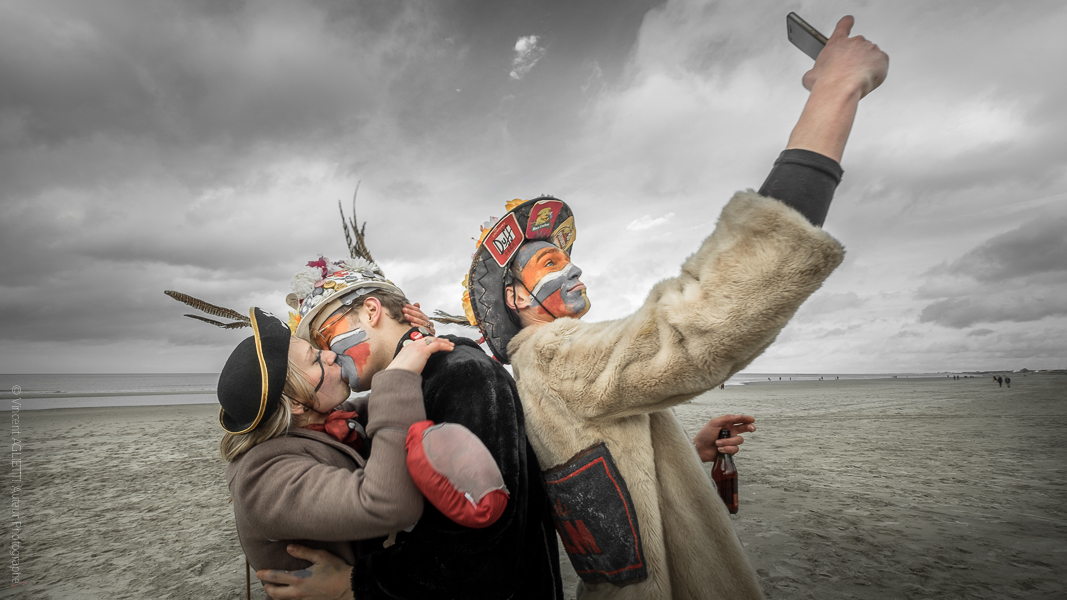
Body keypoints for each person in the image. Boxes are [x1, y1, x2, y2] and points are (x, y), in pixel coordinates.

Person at [456, 15, 887, 600]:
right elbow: (697, 327)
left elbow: (594, 476)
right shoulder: (555, 353)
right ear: (516, 298)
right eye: (550, 264)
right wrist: (835, 94)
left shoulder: (549, 371)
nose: (573, 267)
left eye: (569, 257)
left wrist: (688, 449)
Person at [259, 259, 566, 599]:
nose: (328, 355)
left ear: (372, 310)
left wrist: (357, 584)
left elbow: (481, 553)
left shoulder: (461, 376)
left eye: (324, 337)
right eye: (317, 351)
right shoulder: (404, 389)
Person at [217, 306, 454, 572]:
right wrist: (397, 378)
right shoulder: (261, 478)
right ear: (295, 402)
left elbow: (389, 404)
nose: (330, 354)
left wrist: (409, 339)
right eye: (314, 358)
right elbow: (389, 504)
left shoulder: (326, 421)